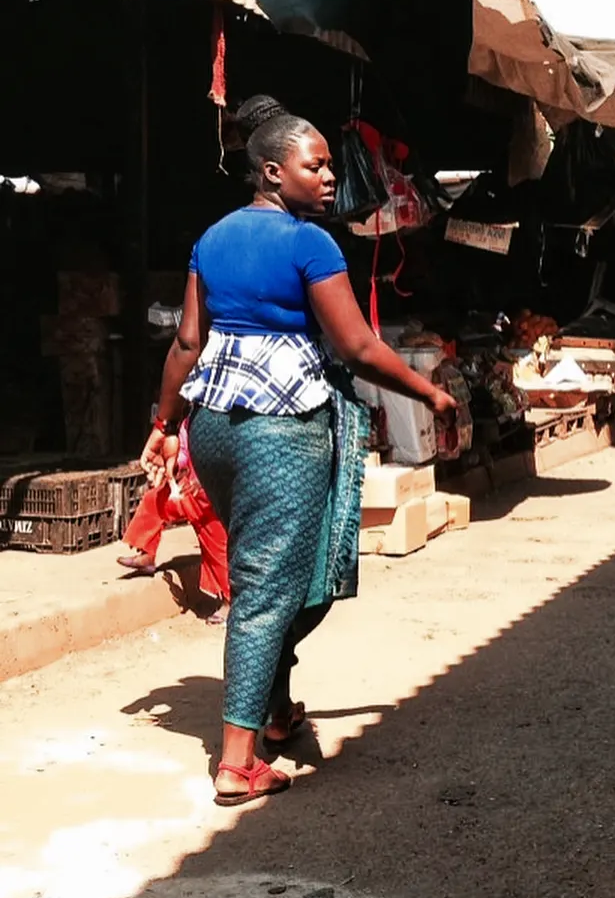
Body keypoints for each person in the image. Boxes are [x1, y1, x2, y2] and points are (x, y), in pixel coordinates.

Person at [140, 112, 456, 807]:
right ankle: (236, 763)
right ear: (272, 172)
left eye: (329, 166)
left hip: (216, 426)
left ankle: (277, 712)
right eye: (316, 165)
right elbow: (357, 347)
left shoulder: (212, 238)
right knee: (271, 584)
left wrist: (166, 424)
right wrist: (431, 392)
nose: (330, 175)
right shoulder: (311, 243)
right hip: (283, 426)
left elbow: (188, 344)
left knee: (274, 568)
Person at [118, 418, 230, 622]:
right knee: (155, 500)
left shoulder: (223, 420)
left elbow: (227, 459)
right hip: (191, 491)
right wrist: (172, 463)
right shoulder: (187, 423)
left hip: (214, 495)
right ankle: (147, 554)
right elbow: (184, 454)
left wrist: (205, 481)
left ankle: (228, 603)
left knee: (217, 548)